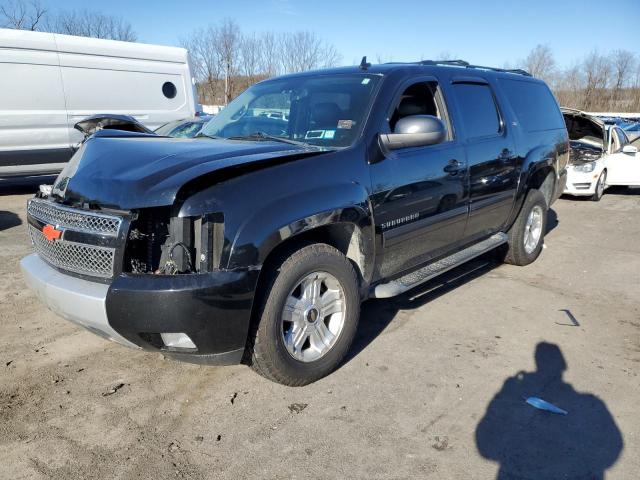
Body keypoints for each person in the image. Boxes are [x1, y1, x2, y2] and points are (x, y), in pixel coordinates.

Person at [475, 342, 623, 479]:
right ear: (563, 366)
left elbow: (485, 446)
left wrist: (505, 392)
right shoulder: (593, 402)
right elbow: (613, 447)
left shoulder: (593, 403)